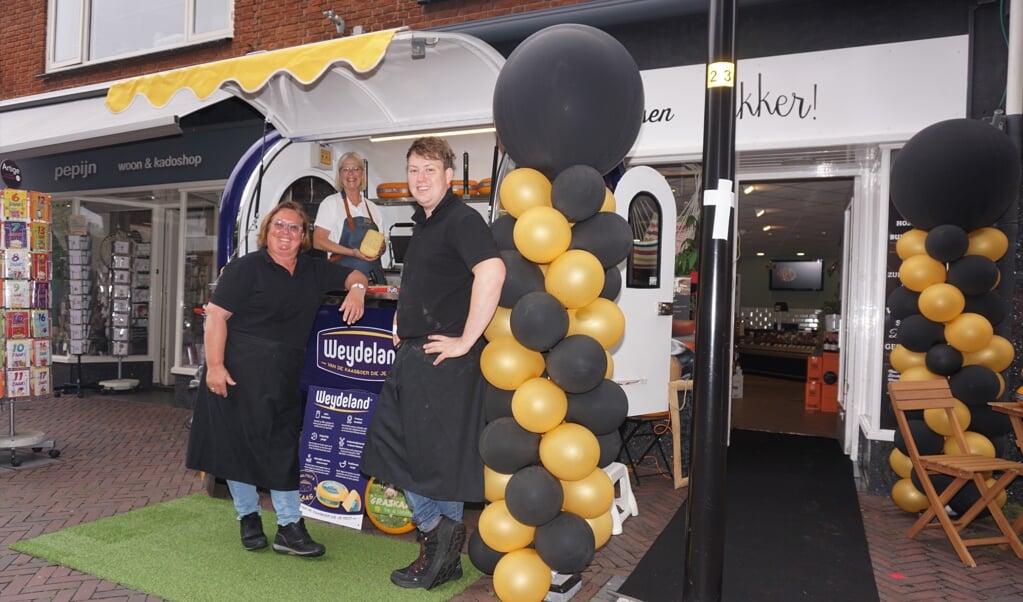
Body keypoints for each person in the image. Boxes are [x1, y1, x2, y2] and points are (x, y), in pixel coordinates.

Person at [361, 137, 505, 590]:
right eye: (414, 170)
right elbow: (434, 281)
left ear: (448, 175)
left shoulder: (461, 219)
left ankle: (436, 534)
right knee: (437, 461)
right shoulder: (425, 223)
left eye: (429, 169)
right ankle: (444, 558)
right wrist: (404, 317)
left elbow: (492, 271)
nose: (420, 178)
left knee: (399, 450)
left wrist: (467, 339)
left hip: (442, 359)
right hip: (420, 351)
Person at [186, 200, 369, 557]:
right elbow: (216, 318)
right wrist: (216, 366)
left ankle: (288, 527)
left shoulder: (315, 270)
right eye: (279, 226)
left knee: (283, 449)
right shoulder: (244, 268)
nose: (286, 234)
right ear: (267, 231)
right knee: (239, 447)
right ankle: (250, 518)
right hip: (238, 369)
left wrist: (357, 290)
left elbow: (356, 274)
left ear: (304, 236)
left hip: (284, 373)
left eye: (294, 228)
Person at [313, 151, 387, 284]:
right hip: (343, 280)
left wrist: (382, 248)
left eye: (355, 169)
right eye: (345, 169)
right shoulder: (331, 203)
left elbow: (382, 242)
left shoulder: (373, 208)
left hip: (374, 280)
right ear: (340, 175)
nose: (351, 173)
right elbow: (318, 241)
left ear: (362, 174)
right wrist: (352, 253)